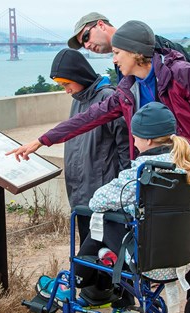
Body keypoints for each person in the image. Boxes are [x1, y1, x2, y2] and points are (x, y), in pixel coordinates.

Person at [7, 20, 190, 313]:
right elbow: (91, 116)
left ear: (136, 53)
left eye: (117, 53)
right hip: (163, 176)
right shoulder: (127, 88)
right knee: (186, 248)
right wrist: (41, 140)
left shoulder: (180, 72)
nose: (114, 60)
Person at [37, 102, 190, 313]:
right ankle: (97, 279)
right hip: (186, 256)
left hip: (150, 264)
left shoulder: (142, 173)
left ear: (149, 140)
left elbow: (97, 201)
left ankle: (73, 283)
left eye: (136, 137)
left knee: (100, 221)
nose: (133, 141)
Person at [49, 48, 130, 244]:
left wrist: (121, 194)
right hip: (80, 194)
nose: (66, 90)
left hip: (104, 198)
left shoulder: (107, 97)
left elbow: (125, 150)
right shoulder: (78, 100)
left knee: (106, 256)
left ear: (78, 76)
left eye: (66, 83)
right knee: (88, 258)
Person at [67, 12, 190, 74]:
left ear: (101, 25)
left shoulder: (154, 46)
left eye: (85, 37)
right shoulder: (119, 62)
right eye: (82, 45)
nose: (86, 46)